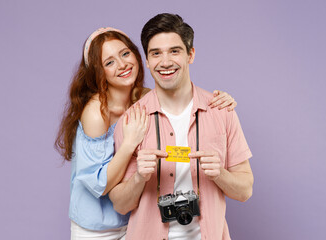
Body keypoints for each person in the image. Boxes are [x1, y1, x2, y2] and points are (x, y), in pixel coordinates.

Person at [55, 27, 238, 239]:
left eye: (125, 54)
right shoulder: (96, 112)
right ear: (98, 71)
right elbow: (101, 186)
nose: (122, 64)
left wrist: (221, 100)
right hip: (97, 227)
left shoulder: (144, 98)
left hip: (134, 220)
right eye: (109, 62)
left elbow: (178, 104)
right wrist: (129, 144)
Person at [109, 13, 254, 240]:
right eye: (156, 53)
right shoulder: (131, 120)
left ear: (191, 54)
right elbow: (120, 204)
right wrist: (138, 178)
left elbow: (245, 191)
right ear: (147, 61)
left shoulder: (222, 111)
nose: (165, 62)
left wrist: (220, 175)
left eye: (174, 51)